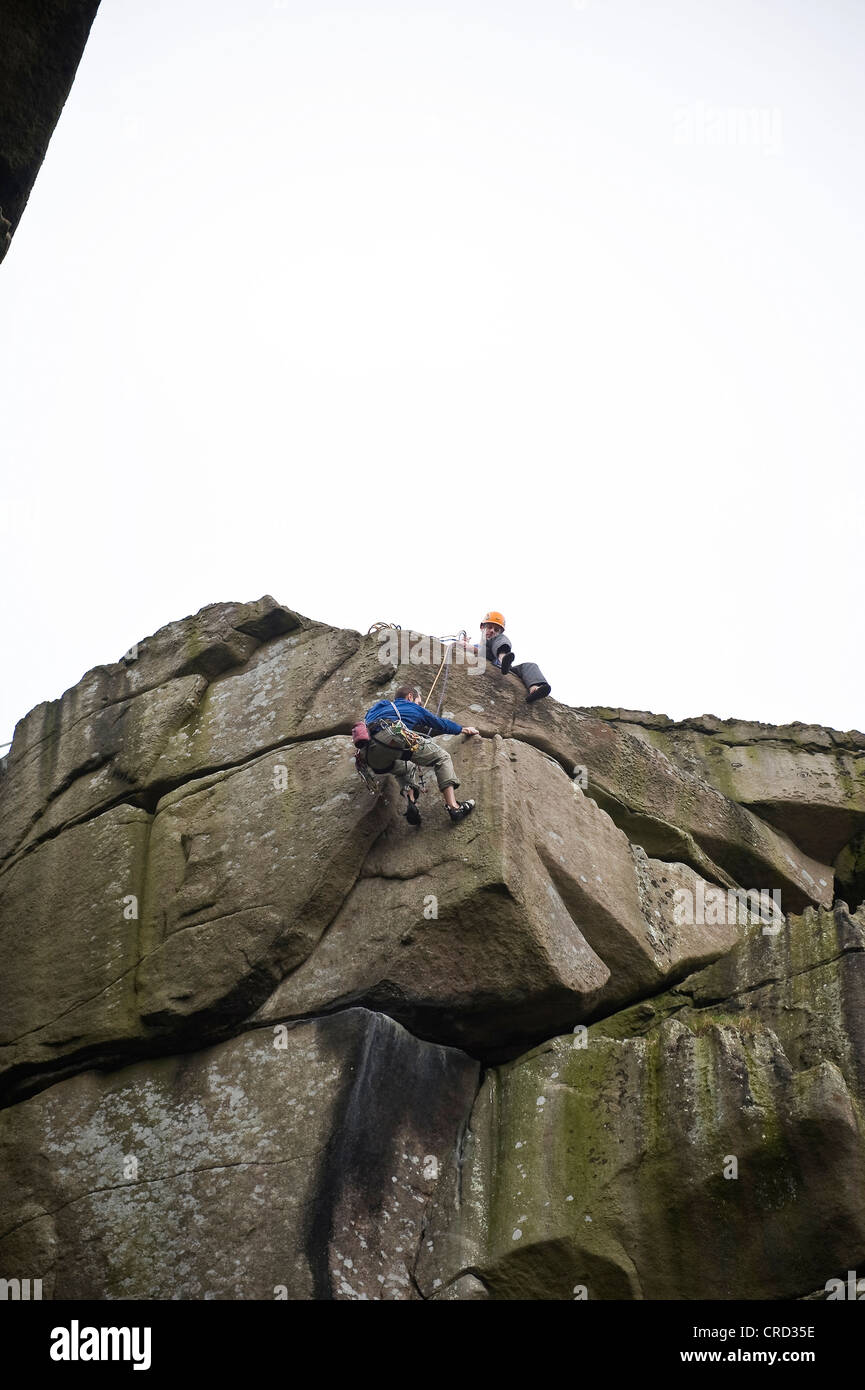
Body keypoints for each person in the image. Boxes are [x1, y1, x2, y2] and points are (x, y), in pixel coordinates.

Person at [363, 685, 479, 825]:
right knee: (442, 757)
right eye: (419, 702)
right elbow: (439, 723)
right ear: (410, 697)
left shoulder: (378, 708)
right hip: (392, 737)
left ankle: (411, 802)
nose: (420, 706)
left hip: (370, 754)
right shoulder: (412, 707)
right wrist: (463, 729)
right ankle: (454, 807)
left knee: (406, 768)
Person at [478, 611, 551, 702]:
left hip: (506, 668)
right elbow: (478, 650)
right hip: (491, 658)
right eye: (489, 627)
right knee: (493, 641)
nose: (492, 631)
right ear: (482, 627)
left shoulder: (498, 639)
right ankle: (503, 658)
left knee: (530, 666)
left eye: (496, 630)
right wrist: (465, 645)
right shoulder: (479, 646)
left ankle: (534, 689)